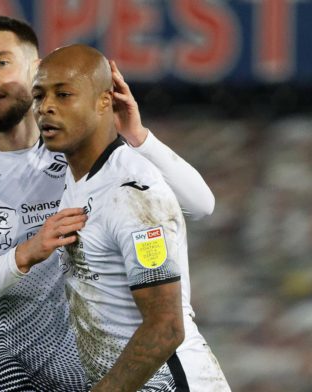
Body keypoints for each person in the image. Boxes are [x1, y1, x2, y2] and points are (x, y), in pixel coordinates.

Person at [0, 16, 216, 391]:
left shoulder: (80, 156)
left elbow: (199, 206)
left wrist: (138, 136)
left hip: (90, 376)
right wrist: (24, 254)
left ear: (35, 68)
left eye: (1, 62)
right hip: (3, 377)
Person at [32, 44, 230, 391]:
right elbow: (202, 204)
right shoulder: (77, 175)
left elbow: (166, 326)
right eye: (39, 95)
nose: (46, 106)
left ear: (104, 100)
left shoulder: (131, 192)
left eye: (63, 94)